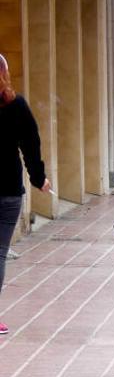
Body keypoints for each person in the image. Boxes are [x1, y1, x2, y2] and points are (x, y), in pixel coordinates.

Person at [0, 54, 52, 335]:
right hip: (7, 190)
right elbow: (31, 142)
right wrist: (39, 178)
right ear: (5, 74)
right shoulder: (16, 105)